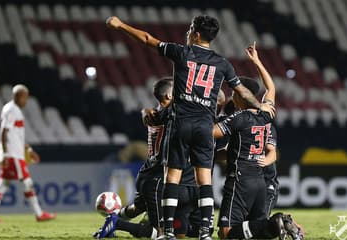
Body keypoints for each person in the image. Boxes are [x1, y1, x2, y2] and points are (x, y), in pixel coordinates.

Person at [106, 15, 274, 240]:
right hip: (205, 126)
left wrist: (121, 26)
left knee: (172, 176)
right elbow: (242, 90)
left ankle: (167, 233)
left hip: (181, 123)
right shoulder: (223, 63)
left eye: (190, 29)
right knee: (204, 179)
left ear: (196, 34)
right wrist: (260, 108)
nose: (187, 33)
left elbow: (147, 39)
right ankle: (205, 233)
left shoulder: (181, 53)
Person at [93, 78, 205, 239]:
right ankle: (116, 223)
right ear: (168, 95)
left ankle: (114, 216)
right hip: (159, 178)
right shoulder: (173, 115)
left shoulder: (154, 114)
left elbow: (148, 113)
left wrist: (144, 111)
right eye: (177, 90)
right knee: (160, 233)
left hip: (149, 173)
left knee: (136, 208)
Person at [213, 42, 304, 239]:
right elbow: (271, 88)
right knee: (257, 230)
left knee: (227, 233)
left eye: (233, 92)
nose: (231, 96)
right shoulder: (266, 114)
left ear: (240, 95)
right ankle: (280, 224)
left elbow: (211, 133)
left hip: (243, 178)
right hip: (258, 180)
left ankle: (277, 221)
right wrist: (257, 61)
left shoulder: (238, 118)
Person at [0, 85, 56, 223]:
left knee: (3, 184)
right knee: (27, 181)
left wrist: (29, 150)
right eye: (25, 97)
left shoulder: (13, 110)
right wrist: (5, 154)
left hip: (14, 153)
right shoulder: (12, 110)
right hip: (12, 155)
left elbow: (15, 135)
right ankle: (39, 214)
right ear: (18, 96)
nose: (26, 101)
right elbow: (4, 132)